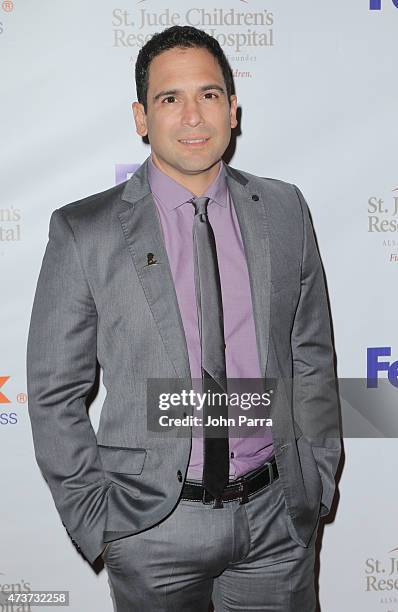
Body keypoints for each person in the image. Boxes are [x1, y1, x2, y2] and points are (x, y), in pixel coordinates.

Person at [26, 24, 341, 612]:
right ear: (142, 118)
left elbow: (311, 355)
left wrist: (315, 480)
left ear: (233, 109)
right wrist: (99, 517)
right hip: (152, 531)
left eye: (210, 95)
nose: (193, 116)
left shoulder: (284, 209)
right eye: (171, 99)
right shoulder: (84, 232)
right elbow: (53, 393)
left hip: (276, 520)